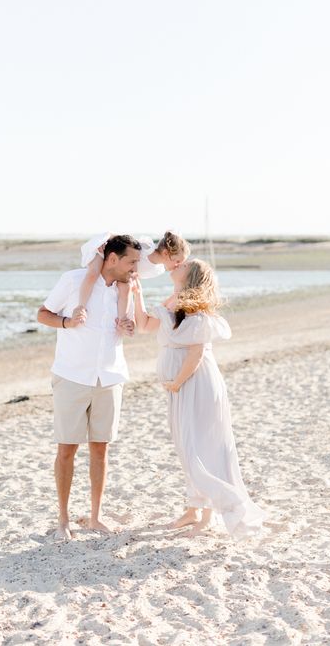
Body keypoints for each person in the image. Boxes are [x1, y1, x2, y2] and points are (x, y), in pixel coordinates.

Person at [132, 258, 267, 541]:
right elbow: (144, 324)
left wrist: (176, 382)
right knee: (186, 445)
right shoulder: (174, 304)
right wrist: (136, 292)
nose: (177, 265)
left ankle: (219, 511)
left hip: (196, 385)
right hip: (181, 387)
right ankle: (195, 509)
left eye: (183, 265)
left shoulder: (198, 313)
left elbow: (196, 354)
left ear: (190, 275)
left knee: (199, 447)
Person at [37, 235, 142, 540]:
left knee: (100, 448)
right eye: (131, 261)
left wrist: (128, 326)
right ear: (112, 259)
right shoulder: (73, 281)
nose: (136, 266)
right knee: (67, 448)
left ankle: (95, 517)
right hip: (72, 376)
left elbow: (128, 326)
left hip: (109, 377)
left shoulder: (126, 288)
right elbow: (42, 314)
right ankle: (63, 520)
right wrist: (68, 323)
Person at [76, 231, 190, 327]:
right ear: (166, 253)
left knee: (126, 287)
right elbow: (126, 241)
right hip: (106, 252)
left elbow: (134, 273)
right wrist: (108, 240)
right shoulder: (147, 247)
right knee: (93, 273)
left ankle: (122, 320)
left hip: (121, 271)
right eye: (178, 261)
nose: (178, 265)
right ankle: (81, 306)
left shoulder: (158, 270)